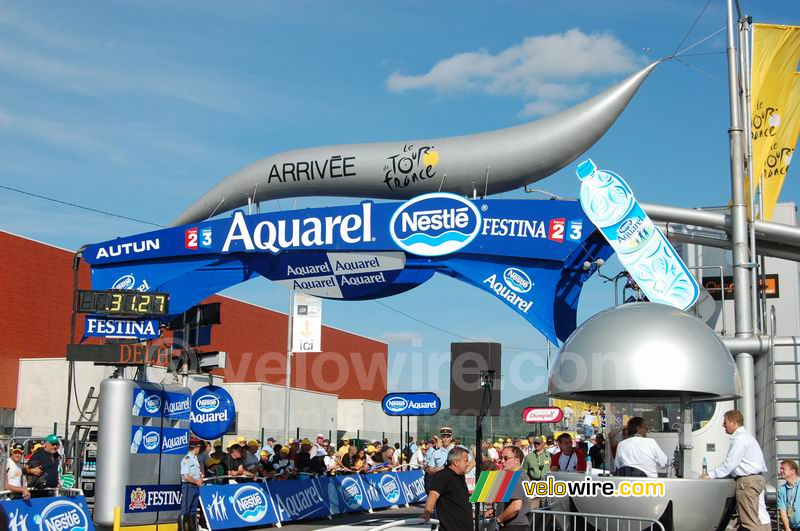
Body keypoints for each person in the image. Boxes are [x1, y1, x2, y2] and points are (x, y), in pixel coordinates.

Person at [702, 410, 770, 530]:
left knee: (749, 521)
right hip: (756, 479)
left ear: (733, 423)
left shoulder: (739, 439)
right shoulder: (748, 437)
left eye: (725, 422)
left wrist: (710, 475)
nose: (723, 425)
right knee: (761, 517)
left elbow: (730, 464)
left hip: (747, 482)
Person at [420, 447, 472, 531]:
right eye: (465, 461)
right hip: (451, 527)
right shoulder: (443, 475)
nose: (468, 463)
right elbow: (433, 494)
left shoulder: (460, 476)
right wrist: (427, 511)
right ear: (455, 462)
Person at [489, 445, 531, 530]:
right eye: (501, 458)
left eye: (506, 458)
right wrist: (497, 511)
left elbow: (516, 506)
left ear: (517, 460)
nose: (502, 461)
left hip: (513, 525)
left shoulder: (517, 476)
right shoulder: (517, 475)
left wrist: (499, 519)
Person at [180, 438, 203, 531]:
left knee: (193, 510)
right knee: (185, 510)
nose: (199, 449)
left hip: (195, 487)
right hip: (189, 486)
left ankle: (192, 529)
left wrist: (200, 478)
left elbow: (198, 473)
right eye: (199, 447)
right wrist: (196, 481)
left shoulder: (195, 459)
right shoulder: (186, 459)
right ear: (196, 447)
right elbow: (186, 476)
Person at [778, 459, 800, 531]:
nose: (780, 471)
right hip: (793, 527)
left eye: (783, 469)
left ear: (793, 471)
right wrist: (787, 528)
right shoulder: (782, 489)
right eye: (780, 469)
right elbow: (782, 510)